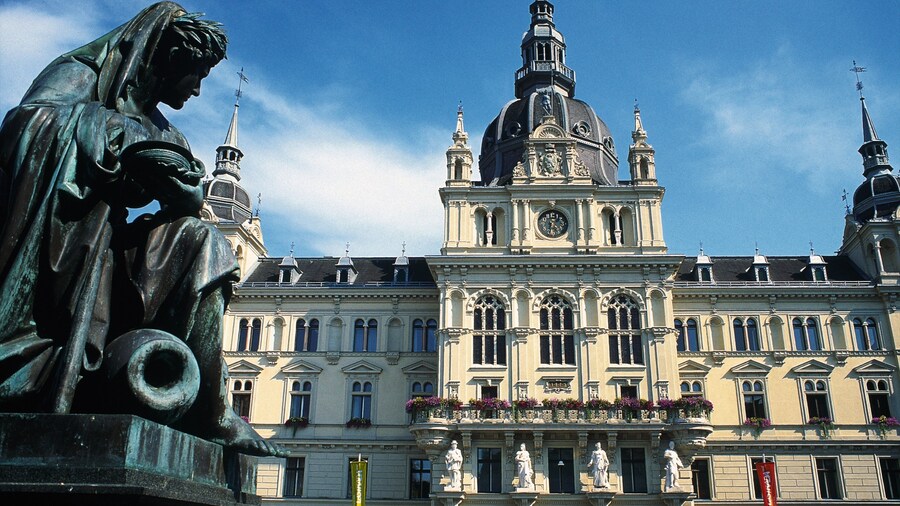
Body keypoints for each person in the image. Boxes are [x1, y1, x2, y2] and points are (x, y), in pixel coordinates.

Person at [0, 2, 282, 457]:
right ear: (169, 59)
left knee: (207, 242)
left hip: (114, 250)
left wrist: (187, 193)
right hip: (62, 233)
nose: (198, 88)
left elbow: (182, 199)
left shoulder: (164, 128)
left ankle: (209, 410)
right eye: (196, 74)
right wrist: (120, 138)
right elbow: (26, 123)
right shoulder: (83, 72)